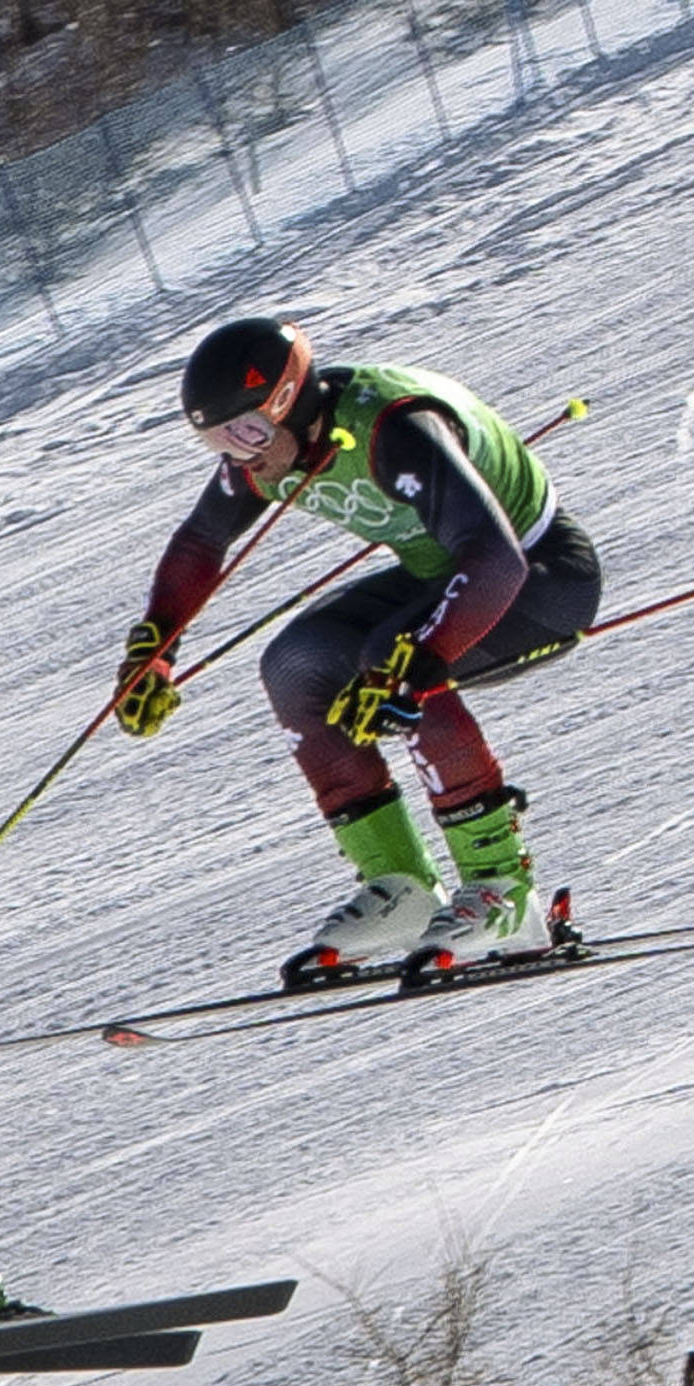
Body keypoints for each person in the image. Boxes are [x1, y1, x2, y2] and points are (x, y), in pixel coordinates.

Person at [111, 320, 599, 982]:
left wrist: (422, 657)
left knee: (386, 657)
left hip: (538, 581)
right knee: (296, 664)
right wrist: (156, 646)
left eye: (248, 432)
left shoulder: (394, 428)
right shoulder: (271, 452)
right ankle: (400, 887)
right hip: (446, 576)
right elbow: (202, 540)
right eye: (217, 440)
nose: (240, 455)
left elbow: (496, 561)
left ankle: (505, 893)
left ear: (289, 401)